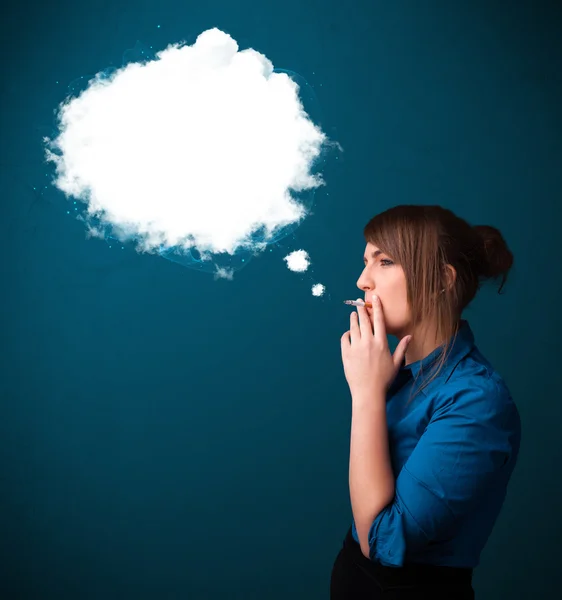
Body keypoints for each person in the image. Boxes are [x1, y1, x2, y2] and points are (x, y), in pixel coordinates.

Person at [331, 204, 521, 599]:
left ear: (439, 279)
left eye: (384, 261)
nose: (362, 280)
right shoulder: (394, 374)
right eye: (365, 262)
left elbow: (383, 543)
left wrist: (365, 395)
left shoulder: (476, 401)